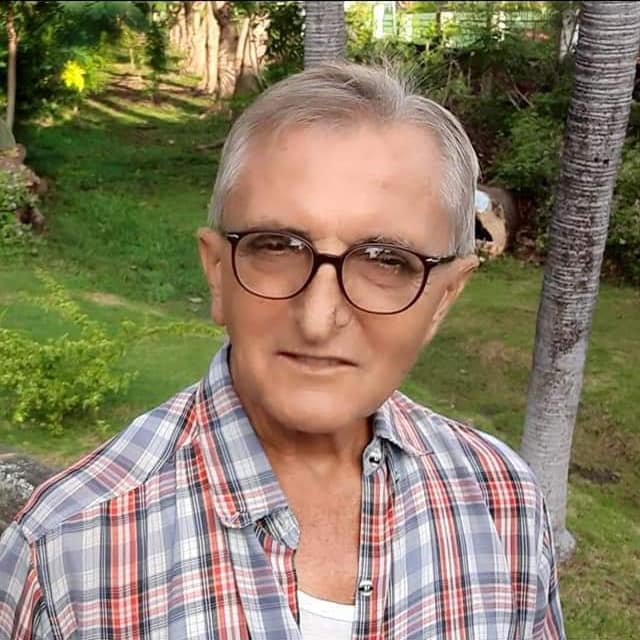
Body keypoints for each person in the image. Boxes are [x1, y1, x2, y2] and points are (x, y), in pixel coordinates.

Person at [0, 62, 565, 639]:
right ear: (217, 273)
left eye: (386, 261)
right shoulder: (67, 555)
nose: (318, 320)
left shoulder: (503, 504)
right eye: (277, 246)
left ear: (444, 299)